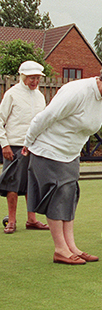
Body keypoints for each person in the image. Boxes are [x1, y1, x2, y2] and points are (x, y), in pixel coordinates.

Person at [23, 58, 102, 264]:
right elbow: (46, 117)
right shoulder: (76, 91)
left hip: (70, 154)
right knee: (56, 199)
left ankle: (72, 247)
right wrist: (28, 142)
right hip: (48, 151)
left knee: (69, 198)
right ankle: (60, 250)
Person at [0, 61, 48, 234]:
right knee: (12, 184)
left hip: (35, 147)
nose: (35, 81)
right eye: (31, 78)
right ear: (23, 77)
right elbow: (0, 120)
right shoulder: (11, 94)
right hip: (14, 145)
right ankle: (11, 221)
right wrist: (4, 144)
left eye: (37, 78)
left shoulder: (40, 96)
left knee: (32, 184)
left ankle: (32, 219)